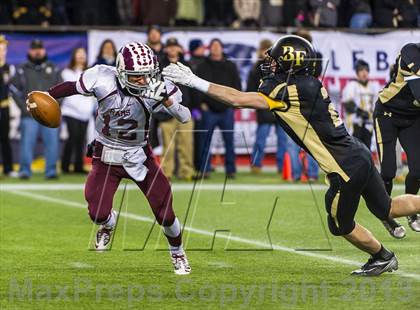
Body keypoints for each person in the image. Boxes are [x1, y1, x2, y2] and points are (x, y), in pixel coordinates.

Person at [163, 35, 420, 276]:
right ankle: (383, 254)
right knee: (386, 207)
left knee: (339, 223)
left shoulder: (289, 90)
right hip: (357, 154)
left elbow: (238, 99)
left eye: (275, 60)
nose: (270, 64)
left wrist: (196, 82)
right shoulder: (307, 84)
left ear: (289, 65)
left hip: (344, 167)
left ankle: (382, 256)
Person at [28, 42, 191, 275]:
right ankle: (108, 223)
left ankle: (178, 253)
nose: (144, 81)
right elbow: (72, 87)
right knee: (97, 213)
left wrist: (166, 99)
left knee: (165, 211)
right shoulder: (103, 77)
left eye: (147, 75)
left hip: (139, 155)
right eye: (137, 77)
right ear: (122, 71)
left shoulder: (159, 87)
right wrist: (47, 95)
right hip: (105, 153)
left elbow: (184, 117)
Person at [374, 42, 420, 234]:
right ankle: (386, 215)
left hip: (413, 118)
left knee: (418, 170)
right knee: (388, 171)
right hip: (387, 114)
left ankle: (410, 209)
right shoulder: (411, 51)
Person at [10, 39, 62, 179]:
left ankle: (51, 171)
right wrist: (24, 107)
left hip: (49, 114)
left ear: (44, 50)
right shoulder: (22, 68)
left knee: (52, 142)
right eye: (34, 48)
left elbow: (62, 89)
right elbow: (13, 89)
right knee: (27, 143)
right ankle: (25, 171)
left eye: (40, 48)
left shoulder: (54, 68)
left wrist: (54, 107)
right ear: (30, 51)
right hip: (29, 114)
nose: (37, 51)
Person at [195, 39, 241, 179]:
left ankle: (231, 170)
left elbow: (237, 84)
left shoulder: (230, 65)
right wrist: (201, 103)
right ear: (210, 49)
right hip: (208, 110)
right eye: (213, 46)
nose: (215, 49)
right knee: (205, 141)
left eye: (217, 46)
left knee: (229, 141)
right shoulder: (203, 66)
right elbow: (196, 85)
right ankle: (205, 169)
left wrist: (234, 103)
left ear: (222, 48)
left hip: (226, 109)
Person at [248, 39, 287, 174]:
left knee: (283, 141)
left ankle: (282, 166)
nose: (266, 54)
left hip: (279, 109)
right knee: (260, 140)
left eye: (268, 50)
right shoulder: (255, 69)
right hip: (263, 109)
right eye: (263, 50)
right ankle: (256, 165)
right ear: (259, 51)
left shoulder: (281, 68)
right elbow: (250, 90)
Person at [158, 38, 194, 181]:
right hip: (166, 111)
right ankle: (166, 172)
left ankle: (187, 172)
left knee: (186, 145)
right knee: (168, 146)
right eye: (169, 47)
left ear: (180, 49)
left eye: (175, 47)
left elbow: (194, 89)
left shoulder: (187, 66)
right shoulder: (159, 66)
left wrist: (195, 107)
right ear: (165, 49)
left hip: (184, 110)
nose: (172, 50)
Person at [61, 47, 96, 174]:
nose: (81, 57)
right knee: (73, 137)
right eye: (78, 54)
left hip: (85, 113)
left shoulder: (90, 72)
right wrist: (78, 106)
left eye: (83, 54)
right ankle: (65, 165)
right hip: (71, 111)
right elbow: (67, 91)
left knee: (81, 139)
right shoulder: (67, 72)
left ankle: (78, 165)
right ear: (74, 56)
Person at [342, 60, 380, 149]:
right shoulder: (352, 85)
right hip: (355, 124)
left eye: (366, 70)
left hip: (368, 124)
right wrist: (360, 112)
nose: (364, 72)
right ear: (357, 72)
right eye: (361, 70)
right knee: (356, 149)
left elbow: (376, 103)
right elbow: (348, 104)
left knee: (367, 149)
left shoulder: (373, 86)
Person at [0, 35, 16, 177]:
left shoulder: (9, 68)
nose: (2, 51)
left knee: (5, 138)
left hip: (4, 106)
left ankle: (8, 168)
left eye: (3, 49)